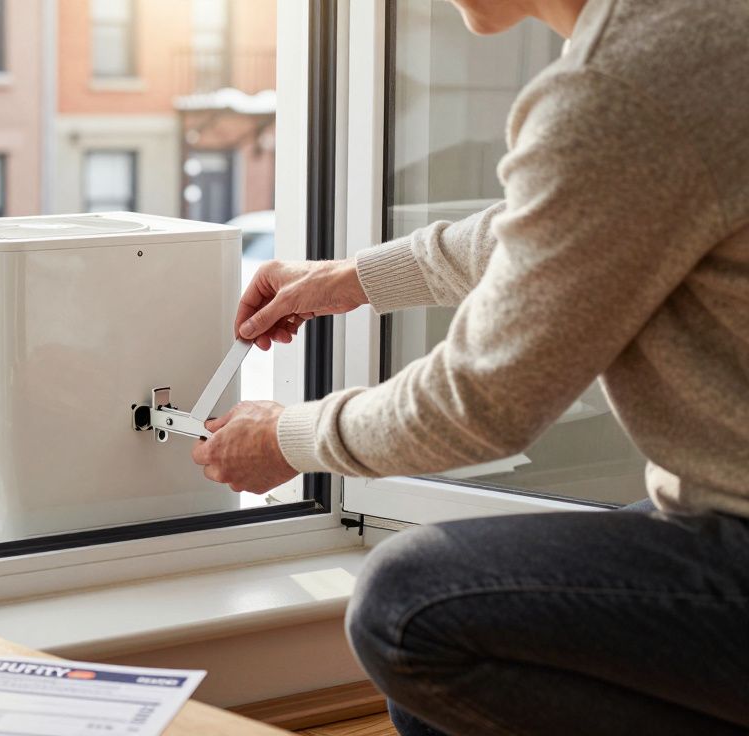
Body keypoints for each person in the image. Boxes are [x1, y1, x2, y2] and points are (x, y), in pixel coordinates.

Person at [190, 0, 749, 732]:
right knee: (460, 651)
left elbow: (480, 403)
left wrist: (286, 438)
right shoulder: (697, 32)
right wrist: (356, 277)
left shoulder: (625, 85)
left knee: (411, 605)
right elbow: (568, 225)